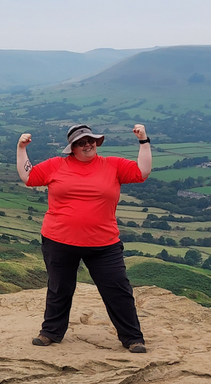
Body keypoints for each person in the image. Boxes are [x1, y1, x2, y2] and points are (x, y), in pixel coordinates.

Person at [16, 124, 152, 353]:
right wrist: (21, 148)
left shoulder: (113, 165)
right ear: (72, 148)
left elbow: (143, 171)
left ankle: (132, 337)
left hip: (104, 243)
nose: (87, 144)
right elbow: (28, 176)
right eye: (81, 142)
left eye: (90, 140)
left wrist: (143, 140)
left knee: (117, 288)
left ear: (97, 142)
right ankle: (50, 332)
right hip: (58, 240)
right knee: (59, 288)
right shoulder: (56, 165)